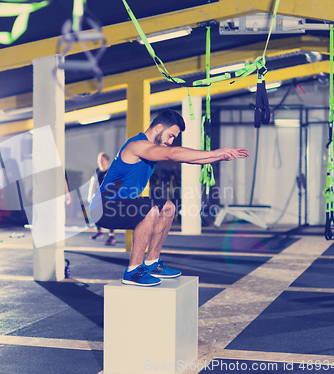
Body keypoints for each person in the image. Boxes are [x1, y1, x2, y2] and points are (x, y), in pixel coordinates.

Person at [89, 109, 249, 286]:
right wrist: (215, 152)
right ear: (158, 128)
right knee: (149, 210)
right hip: (104, 208)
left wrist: (219, 157)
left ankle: (152, 263)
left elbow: (186, 158)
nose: (171, 141)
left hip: (120, 204)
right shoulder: (137, 145)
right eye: (170, 135)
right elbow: (173, 153)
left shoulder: (151, 151)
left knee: (168, 207)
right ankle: (133, 271)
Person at [88, 152, 116, 245]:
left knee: (109, 215)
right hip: (97, 197)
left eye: (102, 160)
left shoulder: (110, 171)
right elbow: (92, 184)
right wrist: (90, 196)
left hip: (108, 197)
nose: (100, 162)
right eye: (99, 160)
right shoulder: (96, 171)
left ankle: (111, 235)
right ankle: (99, 231)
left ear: (107, 161)